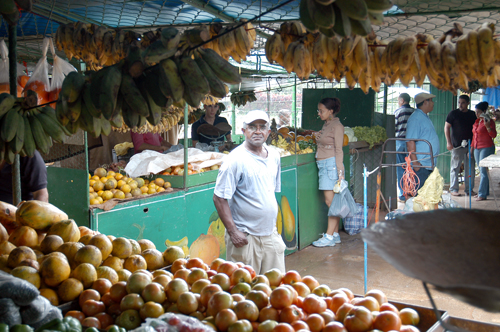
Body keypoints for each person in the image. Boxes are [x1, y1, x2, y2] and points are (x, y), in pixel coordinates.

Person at [213, 110, 285, 274]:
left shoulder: (274, 156)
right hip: (245, 237)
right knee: (245, 293)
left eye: (262, 127)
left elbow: (269, 193)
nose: (258, 131)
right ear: (243, 131)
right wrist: (233, 232)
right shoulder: (235, 159)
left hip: (270, 235)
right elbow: (219, 198)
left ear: (268, 132)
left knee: (276, 290)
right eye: (252, 127)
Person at [311, 97, 345, 248]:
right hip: (324, 165)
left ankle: (329, 236)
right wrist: (318, 137)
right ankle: (335, 234)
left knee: (330, 203)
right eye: (318, 110)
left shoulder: (337, 126)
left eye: (322, 111)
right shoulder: (327, 125)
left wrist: (340, 172)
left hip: (330, 166)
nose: (319, 113)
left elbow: (339, 150)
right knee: (332, 202)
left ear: (331, 111)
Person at [406, 93, 440, 190]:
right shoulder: (416, 118)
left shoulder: (424, 116)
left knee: (427, 194)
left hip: (428, 164)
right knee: (420, 196)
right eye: (431, 100)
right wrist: (416, 164)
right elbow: (410, 141)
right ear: (425, 102)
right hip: (421, 165)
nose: (433, 103)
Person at [444, 95, 477, 197]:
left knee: (470, 168)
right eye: (459, 102)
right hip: (456, 145)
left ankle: (469, 189)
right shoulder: (453, 114)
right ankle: (454, 188)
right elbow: (446, 128)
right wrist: (448, 142)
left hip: (470, 145)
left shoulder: (472, 114)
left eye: (463, 102)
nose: (460, 105)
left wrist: (473, 145)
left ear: (468, 103)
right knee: (455, 167)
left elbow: (476, 130)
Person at [472, 101, 497, 201]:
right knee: (482, 170)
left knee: (483, 171)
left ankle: (482, 194)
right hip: (477, 147)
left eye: (478, 112)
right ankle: (484, 192)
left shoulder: (489, 121)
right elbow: (474, 136)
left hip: (486, 147)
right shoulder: (477, 121)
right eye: (476, 112)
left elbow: (493, 135)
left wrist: (488, 127)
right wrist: (472, 147)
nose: (476, 114)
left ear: (484, 111)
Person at [394, 93, 414, 202]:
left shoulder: (398, 112)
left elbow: (393, 127)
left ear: (402, 100)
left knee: (400, 169)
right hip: (412, 144)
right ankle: (411, 191)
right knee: (411, 168)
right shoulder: (414, 112)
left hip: (400, 143)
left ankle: (403, 194)